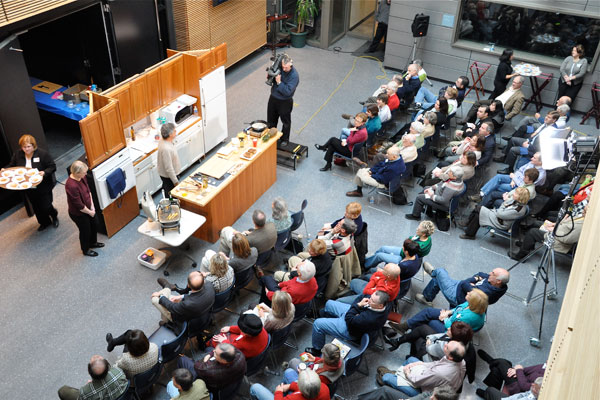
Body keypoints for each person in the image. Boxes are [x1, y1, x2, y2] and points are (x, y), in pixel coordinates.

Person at [385, 321, 475, 384]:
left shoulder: (447, 346)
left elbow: (430, 349)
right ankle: (399, 343)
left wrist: (429, 340)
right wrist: (429, 338)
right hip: (437, 349)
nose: (448, 328)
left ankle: (410, 358)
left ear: (455, 338)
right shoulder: (465, 342)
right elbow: (440, 336)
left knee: (418, 339)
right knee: (423, 329)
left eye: (450, 330)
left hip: (432, 359)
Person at [306, 291, 391, 355]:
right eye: (371, 297)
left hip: (350, 329)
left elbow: (349, 318)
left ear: (380, 306)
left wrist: (358, 306)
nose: (369, 300)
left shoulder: (370, 319)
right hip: (355, 315)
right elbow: (362, 296)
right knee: (329, 303)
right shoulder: (385, 304)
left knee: (318, 324)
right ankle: (321, 315)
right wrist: (357, 307)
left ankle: (317, 349)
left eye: (372, 301)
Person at [376, 340, 466, 396]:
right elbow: (437, 363)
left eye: (446, 347)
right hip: (432, 379)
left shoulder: (441, 373)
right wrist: (421, 363)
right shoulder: (461, 361)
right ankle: (397, 375)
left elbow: (418, 381)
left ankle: (394, 376)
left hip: (426, 392)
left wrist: (407, 372)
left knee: (386, 378)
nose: (444, 345)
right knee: (411, 359)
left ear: (451, 357)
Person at [6, 134, 58, 231]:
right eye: (24, 147)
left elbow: (52, 166)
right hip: (28, 187)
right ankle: (44, 222)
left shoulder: (42, 154)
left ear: (33, 145)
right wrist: (4, 170)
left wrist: (44, 172)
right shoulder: (18, 154)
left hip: (43, 186)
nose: (26, 149)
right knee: (36, 207)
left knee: (46, 205)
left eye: (28, 146)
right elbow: (12, 165)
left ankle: (54, 215)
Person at [394, 289, 488, 334]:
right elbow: (457, 308)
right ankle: (405, 326)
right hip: (451, 318)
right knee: (428, 311)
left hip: (452, 331)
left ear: (473, 301)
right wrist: (448, 312)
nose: (467, 293)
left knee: (430, 322)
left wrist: (445, 318)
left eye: (470, 295)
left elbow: (453, 328)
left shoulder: (469, 317)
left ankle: (413, 333)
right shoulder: (471, 304)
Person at [509, 205, 586, 260]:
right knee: (536, 223)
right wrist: (554, 224)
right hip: (558, 230)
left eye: (585, 211)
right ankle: (527, 245)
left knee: (533, 232)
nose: (583, 211)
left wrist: (553, 229)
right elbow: (565, 223)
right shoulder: (581, 217)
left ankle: (521, 255)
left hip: (559, 241)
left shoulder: (582, 226)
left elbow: (567, 239)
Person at [416, 263, 509, 308]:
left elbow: (465, 283)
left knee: (440, 271)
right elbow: (480, 273)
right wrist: (473, 281)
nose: (489, 273)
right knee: (437, 280)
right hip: (460, 288)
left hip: (457, 296)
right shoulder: (499, 285)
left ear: (498, 281)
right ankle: (427, 298)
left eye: (493, 273)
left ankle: (433, 272)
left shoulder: (487, 292)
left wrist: (474, 280)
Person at [460, 186, 530, 240]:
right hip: (499, 217)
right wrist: (503, 206)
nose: (513, 194)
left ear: (520, 197)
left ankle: (469, 229)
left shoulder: (518, 210)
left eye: (516, 193)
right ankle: (469, 231)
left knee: (479, 209)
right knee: (479, 210)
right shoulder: (516, 201)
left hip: (501, 222)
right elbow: (502, 209)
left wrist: (504, 204)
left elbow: (500, 213)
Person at [473, 153, 544, 206]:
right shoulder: (531, 163)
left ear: (540, 162)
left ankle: (484, 201)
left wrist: (514, 178)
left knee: (497, 186)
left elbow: (525, 185)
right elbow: (519, 170)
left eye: (534, 158)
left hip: (519, 187)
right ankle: (481, 195)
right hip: (516, 179)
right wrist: (514, 178)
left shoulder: (541, 175)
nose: (531, 158)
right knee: (498, 177)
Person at [65, 160, 103, 257]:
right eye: (84, 172)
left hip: (89, 208)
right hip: (79, 213)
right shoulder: (71, 186)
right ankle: (85, 249)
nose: (86, 174)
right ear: (77, 173)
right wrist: (90, 212)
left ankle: (93, 243)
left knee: (94, 225)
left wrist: (92, 207)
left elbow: (88, 191)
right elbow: (79, 205)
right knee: (85, 231)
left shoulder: (82, 177)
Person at [476, 349, 545, 400]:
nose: (547, 361)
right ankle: (492, 363)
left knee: (502, 364)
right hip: (520, 378)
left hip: (519, 387)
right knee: (500, 367)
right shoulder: (545, 366)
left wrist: (519, 370)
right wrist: (518, 370)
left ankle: (491, 362)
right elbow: (529, 369)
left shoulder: (544, 385)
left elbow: (524, 387)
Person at [176, 343, 246, 392]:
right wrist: (211, 354)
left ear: (223, 360)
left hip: (213, 385)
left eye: (216, 353)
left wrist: (206, 361)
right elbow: (213, 350)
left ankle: (183, 382)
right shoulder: (240, 355)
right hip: (233, 380)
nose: (214, 352)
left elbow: (197, 366)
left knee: (182, 360)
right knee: (209, 349)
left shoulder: (207, 369)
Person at [58, 355, 128, 400]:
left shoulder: (85, 392)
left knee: (63, 391)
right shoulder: (119, 372)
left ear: (89, 372)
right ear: (108, 369)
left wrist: (90, 386)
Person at [458, 76, 525, 123]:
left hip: (500, 107)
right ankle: (467, 120)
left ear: (520, 84)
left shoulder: (520, 96)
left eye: (515, 83)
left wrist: (505, 117)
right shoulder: (511, 87)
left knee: (483, 110)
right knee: (477, 103)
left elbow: (516, 111)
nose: (513, 83)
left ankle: (474, 123)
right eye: (513, 81)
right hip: (494, 101)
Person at [267, 54, 299, 146]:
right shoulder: (280, 66)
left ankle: (285, 139)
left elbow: (288, 92)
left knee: (285, 122)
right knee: (271, 120)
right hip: (273, 99)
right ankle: (271, 137)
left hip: (285, 102)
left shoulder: (294, 76)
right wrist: (270, 74)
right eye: (283, 67)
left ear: (291, 65)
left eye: (286, 68)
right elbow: (271, 79)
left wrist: (279, 82)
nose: (283, 69)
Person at [250, 369, 330, 400]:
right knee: (289, 372)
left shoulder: (295, 398)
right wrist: (290, 386)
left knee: (255, 387)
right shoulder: (324, 387)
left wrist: (279, 392)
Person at [157, 122, 181, 195]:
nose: (176, 132)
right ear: (170, 134)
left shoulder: (163, 140)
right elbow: (169, 168)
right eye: (174, 131)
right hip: (168, 177)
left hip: (167, 174)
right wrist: (176, 182)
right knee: (172, 194)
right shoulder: (166, 149)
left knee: (167, 188)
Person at [478, 377, 543, 400]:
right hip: (511, 398)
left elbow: (524, 386)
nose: (532, 384)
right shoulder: (534, 391)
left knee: (490, 390)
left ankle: (486, 394)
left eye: (535, 386)